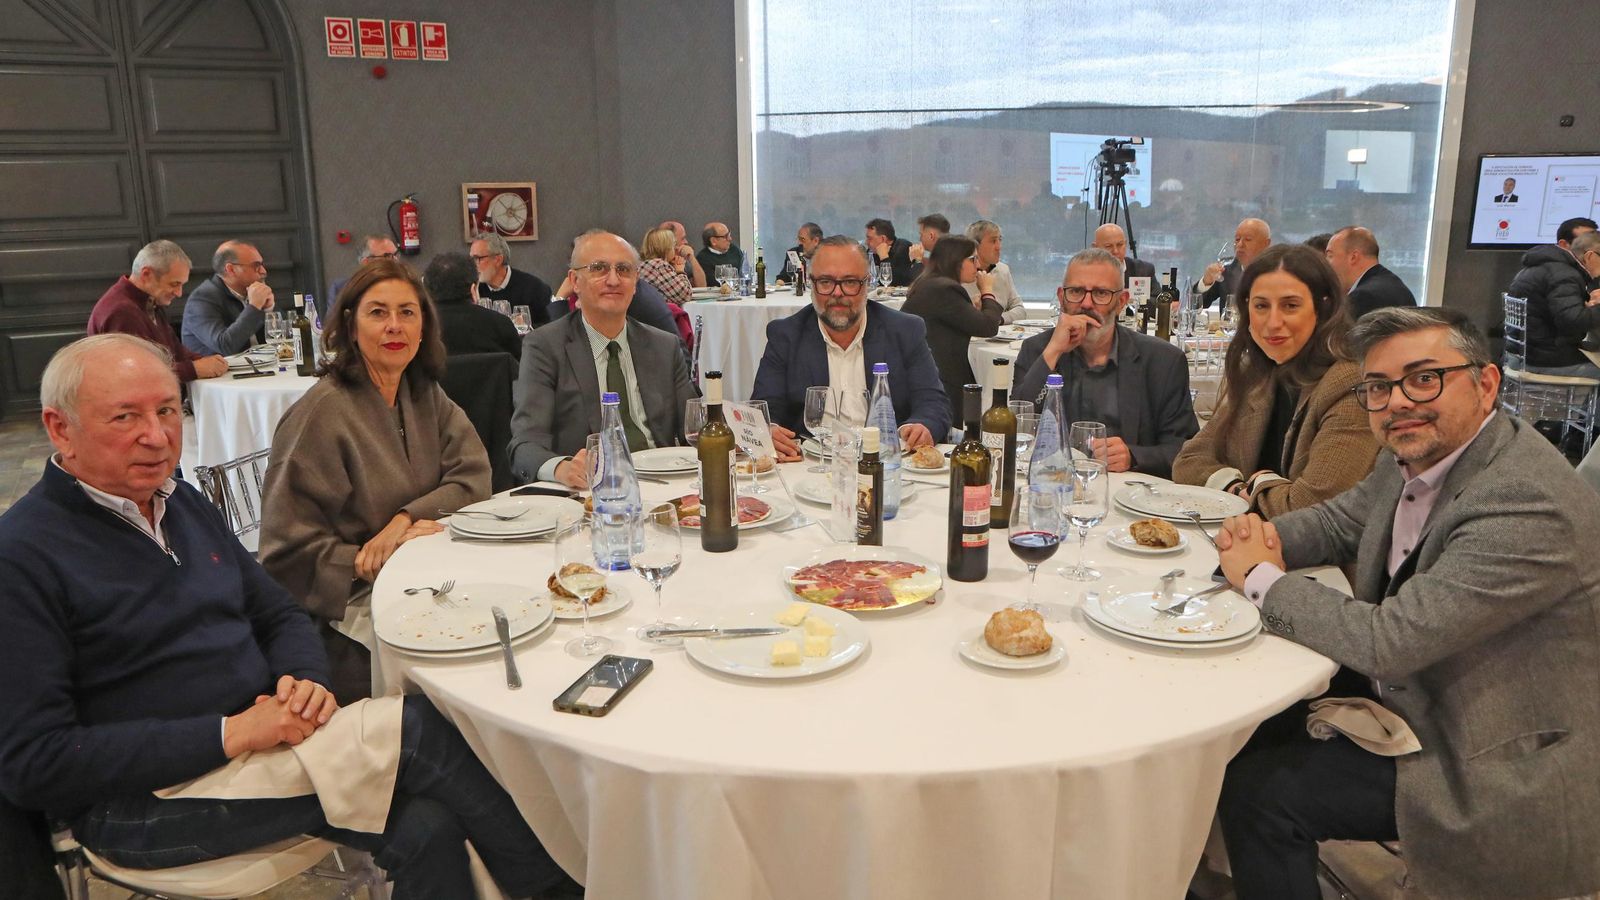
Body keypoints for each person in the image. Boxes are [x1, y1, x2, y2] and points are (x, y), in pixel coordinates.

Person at [0, 334, 573, 899]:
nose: (157, 436)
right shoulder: (24, 554)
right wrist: (230, 733)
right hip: (142, 803)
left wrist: (305, 681)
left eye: (169, 409)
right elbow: (34, 761)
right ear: (60, 429)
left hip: (262, 753)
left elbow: (277, 611)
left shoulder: (181, 503)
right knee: (421, 732)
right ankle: (559, 891)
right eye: (125, 417)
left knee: (429, 825)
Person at [1212, 306, 1600, 900]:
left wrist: (1260, 578)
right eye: (1378, 386)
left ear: (1486, 383)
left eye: (1424, 378)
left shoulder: (1524, 500)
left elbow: (1389, 643)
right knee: (1242, 726)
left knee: (1261, 792)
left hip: (1486, 751)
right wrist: (1253, 538)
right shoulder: (1425, 453)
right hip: (1418, 699)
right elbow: (1340, 520)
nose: (1397, 401)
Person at [261, 258, 491, 702]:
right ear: (350, 326)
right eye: (378, 312)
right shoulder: (321, 415)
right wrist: (364, 560)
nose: (394, 326)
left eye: (408, 312)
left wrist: (404, 521)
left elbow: (474, 477)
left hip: (429, 583)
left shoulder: (423, 392)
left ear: (423, 326)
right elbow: (283, 556)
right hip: (345, 613)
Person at [1172, 244, 1379, 517]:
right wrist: (1236, 488)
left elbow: (1310, 507)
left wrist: (1251, 487)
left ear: (1324, 307)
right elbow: (1187, 462)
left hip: (1318, 557)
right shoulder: (1261, 376)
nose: (1272, 322)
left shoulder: (1351, 384)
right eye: (1261, 306)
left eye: (1290, 306)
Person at [509, 230, 696, 488]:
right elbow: (525, 444)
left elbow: (695, 428)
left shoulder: (664, 346)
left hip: (661, 485)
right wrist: (561, 468)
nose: (613, 280)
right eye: (598, 269)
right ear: (575, 281)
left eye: (624, 269)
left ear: (635, 282)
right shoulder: (545, 347)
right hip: (589, 491)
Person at [751, 236, 950, 459]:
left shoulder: (904, 330)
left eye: (849, 282)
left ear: (867, 283)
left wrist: (922, 425)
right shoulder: (786, 335)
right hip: (810, 464)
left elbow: (933, 402)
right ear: (811, 283)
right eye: (826, 282)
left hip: (887, 463)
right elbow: (765, 410)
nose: (837, 293)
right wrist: (769, 430)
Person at [1014, 248, 1198, 477]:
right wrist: (1053, 351)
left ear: (1121, 302)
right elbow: (1016, 427)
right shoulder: (1039, 351)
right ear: (1061, 297)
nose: (1086, 303)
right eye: (1076, 291)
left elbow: (1187, 452)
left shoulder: (1163, 362)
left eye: (1100, 293)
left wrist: (1133, 456)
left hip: (1133, 496)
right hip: (1054, 486)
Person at [88, 240, 226, 382]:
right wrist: (194, 369)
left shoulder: (149, 300)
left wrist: (205, 361)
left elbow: (175, 350)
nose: (179, 293)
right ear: (146, 274)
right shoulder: (121, 311)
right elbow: (135, 373)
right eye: (174, 284)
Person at [901, 235, 1002, 423]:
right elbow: (988, 327)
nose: (978, 266)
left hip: (922, 374)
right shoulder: (945, 288)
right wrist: (987, 291)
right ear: (955, 261)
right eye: (973, 259)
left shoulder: (930, 283)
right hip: (942, 379)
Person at [1508, 229, 1600, 377]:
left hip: (1527, 354)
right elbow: (1571, 321)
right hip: (1547, 359)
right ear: (1590, 256)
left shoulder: (1545, 266)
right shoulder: (1564, 274)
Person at [180, 240, 274, 356]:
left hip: (258, 366)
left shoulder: (250, 291)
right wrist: (254, 307)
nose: (263, 271)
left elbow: (279, 337)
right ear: (230, 269)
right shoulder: (202, 299)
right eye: (256, 266)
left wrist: (268, 309)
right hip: (221, 372)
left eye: (262, 264)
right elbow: (225, 346)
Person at [424, 252, 521, 360]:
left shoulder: (420, 327)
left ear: (426, 291)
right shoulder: (501, 324)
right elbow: (519, 369)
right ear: (473, 289)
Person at [1324, 226, 1416, 319]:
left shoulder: (1364, 297)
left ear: (1353, 257)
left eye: (1330, 255)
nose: (1325, 262)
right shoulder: (1392, 284)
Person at [472, 231, 554, 326]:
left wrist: (524, 326)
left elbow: (547, 328)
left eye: (478, 258)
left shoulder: (534, 288)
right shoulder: (473, 290)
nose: (472, 265)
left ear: (497, 260)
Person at [637, 226, 697, 354]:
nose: (675, 249)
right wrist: (680, 270)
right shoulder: (659, 265)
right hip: (664, 326)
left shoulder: (643, 264)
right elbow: (685, 294)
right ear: (664, 247)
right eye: (673, 245)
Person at [1195, 217, 1271, 309]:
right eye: (1237, 239)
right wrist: (1206, 282)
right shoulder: (1226, 272)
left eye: (1248, 239)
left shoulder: (1278, 273)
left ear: (1266, 244)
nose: (1240, 245)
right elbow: (1196, 305)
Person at [963, 219, 1026, 323]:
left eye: (1000, 240)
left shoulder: (1003, 270)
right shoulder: (961, 274)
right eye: (993, 241)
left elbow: (1020, 310)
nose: (999, 247)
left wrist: (999, 319)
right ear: (975, 245)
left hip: (1000, 333)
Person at [327, 234, 397, 318]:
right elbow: (333, 327)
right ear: (367, 263)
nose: (395, 261)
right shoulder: (340, 290)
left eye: (396, 255)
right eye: (387, 256)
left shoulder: (408, 288)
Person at [1091, 223, 1156, 292]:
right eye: (1108, 246)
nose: (1115, 251)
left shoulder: (1143, 270)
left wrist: (1130, 297)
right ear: (1095, 247)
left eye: (1119, 245)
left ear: (1125, 243)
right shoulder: (1085, 272)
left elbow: (1158, 299)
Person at [864, 217, 915, 286]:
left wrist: (884, 258)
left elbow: (895, 282)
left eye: (869, 238)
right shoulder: (871, 252)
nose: (866, 242)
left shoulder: (904, 248)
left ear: (883, 239)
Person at [660, 219, 708, 286]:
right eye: (683, 238)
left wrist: (691, 257)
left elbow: (702, 286)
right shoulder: (658, 264)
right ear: (670, 240)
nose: (686, 242)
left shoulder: (682, 257)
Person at [906, 212, 951, 281]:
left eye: (921, 234)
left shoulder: (947, 258)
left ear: (931, 236)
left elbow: (922, 286)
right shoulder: (948, 252)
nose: (920, 239)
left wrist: (917, 261)